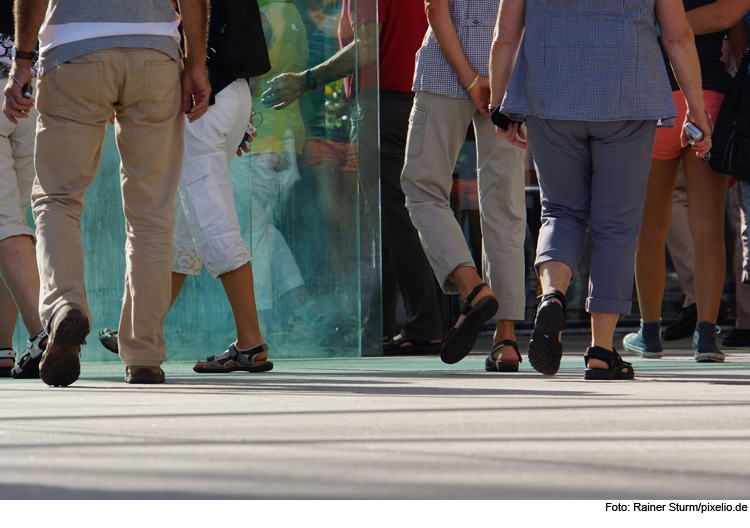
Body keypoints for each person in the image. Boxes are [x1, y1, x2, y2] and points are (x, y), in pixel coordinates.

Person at [490, 0, 712, 379]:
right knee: (617, 225)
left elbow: (505, 37)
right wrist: (695, 108)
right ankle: (600, 351)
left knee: (559, 210)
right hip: (628, 97)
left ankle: (553, 295)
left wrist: (500, 104)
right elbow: (677, 34)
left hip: (551, 96)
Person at [3, 0, 210, 386]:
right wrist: (195, 61)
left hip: (73, 51)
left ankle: (66, 305)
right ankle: (144, 354)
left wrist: (23, 60)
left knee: (57, 199)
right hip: (155, 52)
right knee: (151, 212)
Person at [98, 0, 273, 375]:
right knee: (184, 229)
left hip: (199, 100)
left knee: (212, 221)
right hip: (231, 92)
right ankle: (139, 328)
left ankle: (250, 342)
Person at [262, 0, 443, 356]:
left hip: (383, 103)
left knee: (393, 217)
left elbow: (367, 44)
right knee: (396, 216)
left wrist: (308, 79)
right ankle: (381, 323)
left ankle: (424, 325)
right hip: (421, 99)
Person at [399, 0, 527, 371]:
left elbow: (436, 9)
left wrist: (471, 80)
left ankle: (473, 287)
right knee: (504, 201)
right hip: (509, 70)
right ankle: (506, 341)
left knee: (422, 188)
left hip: (444, 66)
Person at [624, 0, 735, 364]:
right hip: (709, 98)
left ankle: (650, 331)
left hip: (657, 99)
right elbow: (732, 23)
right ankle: (706, 336)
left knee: (650, 228)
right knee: (708, 228)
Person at [0, 0, 46, 379]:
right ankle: (3, 345)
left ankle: (43, 333)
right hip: (30, 91)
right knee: (11, 219)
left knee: (4, 221)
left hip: (10, 87)